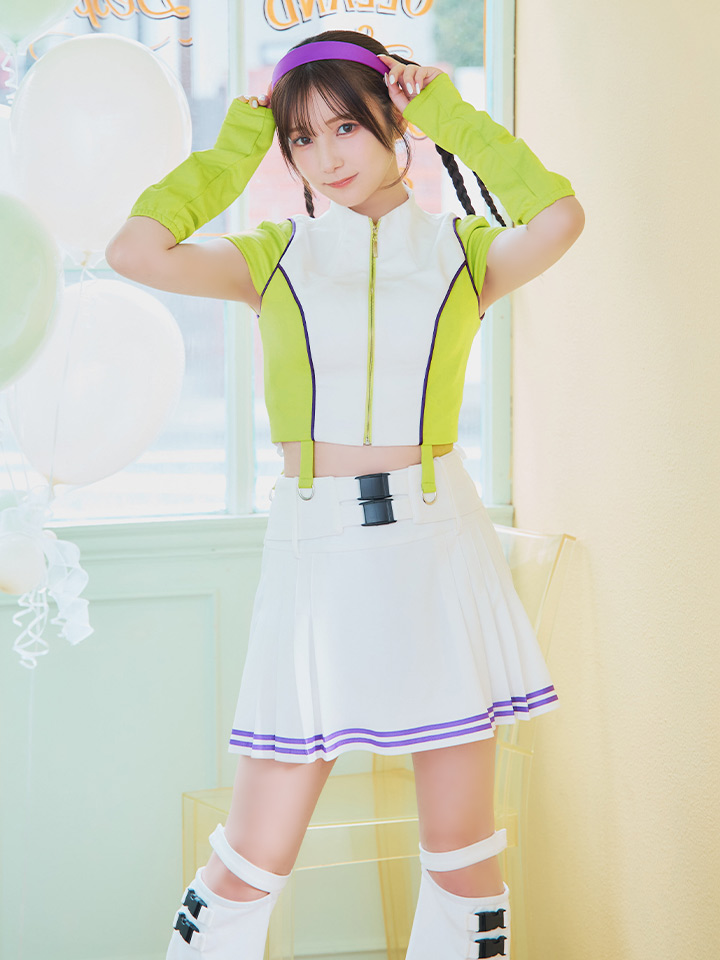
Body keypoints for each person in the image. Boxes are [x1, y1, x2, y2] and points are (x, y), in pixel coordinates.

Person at [106, 28, 584, 960]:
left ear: (392, 122)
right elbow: (136, 250)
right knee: (249, 859)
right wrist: (238, 147)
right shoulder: (275, 253)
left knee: (464, 859)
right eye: (302, 137)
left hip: (439, 546)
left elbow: (560, 217)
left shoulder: (461, 250)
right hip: (316, 553)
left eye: (347, 127)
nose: (326, 157)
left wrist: (447, 114)